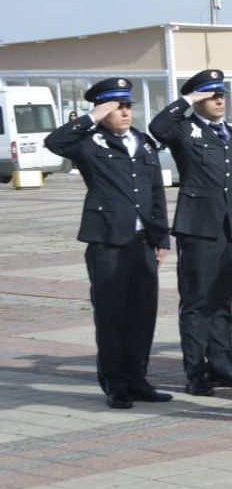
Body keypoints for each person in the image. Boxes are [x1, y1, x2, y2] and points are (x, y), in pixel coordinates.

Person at [45, 78, 172, 409]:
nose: (125, 112)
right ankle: (115, 385)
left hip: (143, 241)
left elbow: (155, 192)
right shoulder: (89, 143)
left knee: (143, 314)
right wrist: (91, 118)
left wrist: (161, 238)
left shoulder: (143, 143)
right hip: (108, 243)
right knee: (112, 315)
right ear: (103, 109)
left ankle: (138, 379)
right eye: (117, 107)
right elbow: (54, 141)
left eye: (127, 105)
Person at [147, 69, 232, 396]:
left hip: (229, 231)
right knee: (196, 303)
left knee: (222, 301)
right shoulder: (183, 130)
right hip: (197, 229)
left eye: (221, 94)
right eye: (210, 95)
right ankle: (196, 373)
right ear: (197, 99)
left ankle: (223, 367)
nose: (219, 100)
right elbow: (157, 128)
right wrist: (188, 100)